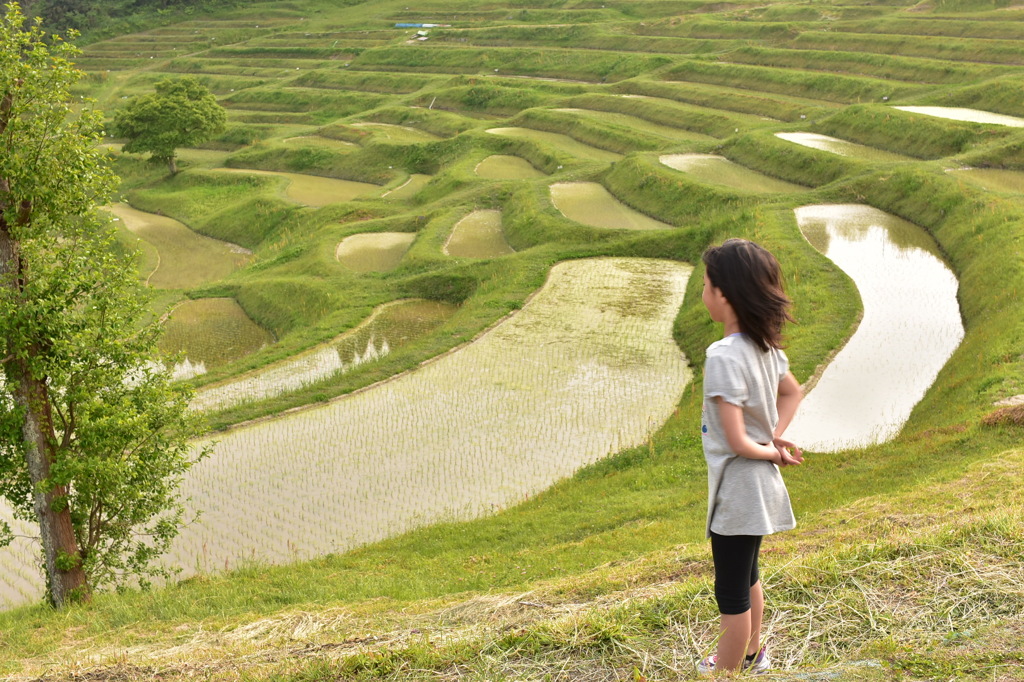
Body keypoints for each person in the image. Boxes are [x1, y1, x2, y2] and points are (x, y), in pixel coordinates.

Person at [696, 238, 804, 675]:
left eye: (705, 285)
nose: (703, 294)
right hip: (756, 485)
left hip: (740, 487)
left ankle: (727, 669)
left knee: (731, 593)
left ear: (723, 293)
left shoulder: (722, 355)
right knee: (748, 575)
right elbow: (793, 392)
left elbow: (738, 442)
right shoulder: (767, 348)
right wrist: (773, 437)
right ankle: (753, 654)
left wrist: (767, 449)